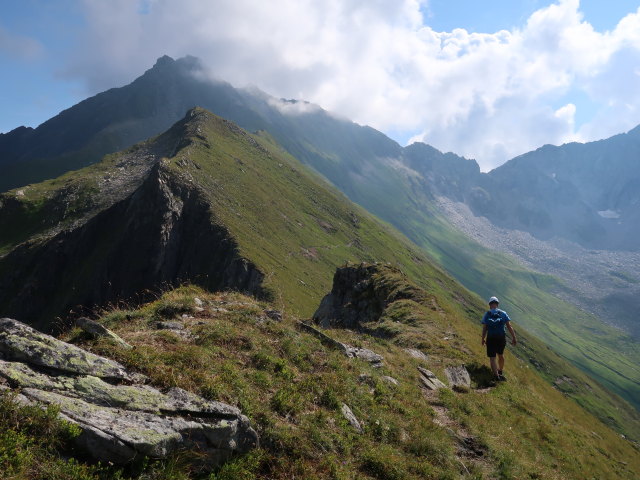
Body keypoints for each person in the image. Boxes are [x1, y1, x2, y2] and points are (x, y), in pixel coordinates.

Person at [481, 296, 517, 381]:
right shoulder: (503, 313)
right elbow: (509, 326)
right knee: (500, 355)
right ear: (497, 304)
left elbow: (484, 328)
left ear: (490, 304)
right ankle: (500, 371)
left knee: (492, 358)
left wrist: (483, 338)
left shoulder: (487, 314)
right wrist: (514, 337)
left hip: (491, 338)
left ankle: (496, 376)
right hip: (501, 338)